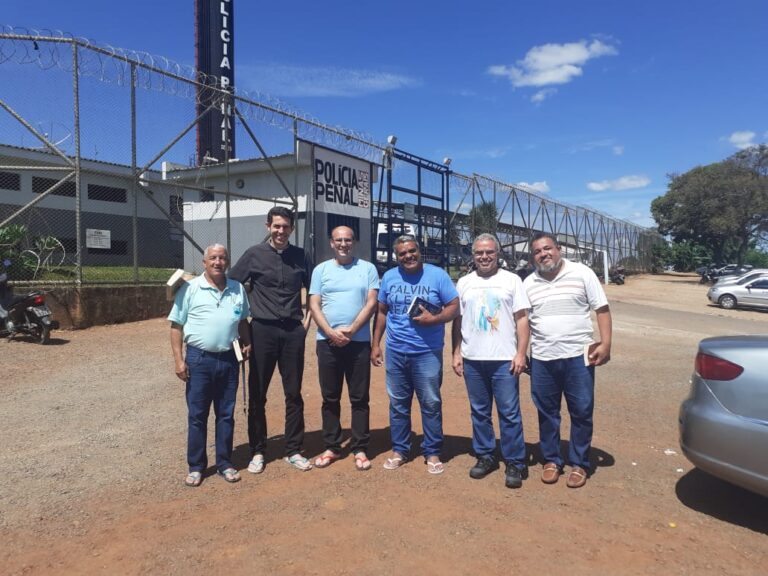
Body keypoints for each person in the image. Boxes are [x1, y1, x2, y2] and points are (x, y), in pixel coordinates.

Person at [523, 232, 612, 488]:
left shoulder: (582, 273)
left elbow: (602, 309)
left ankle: (579, 463)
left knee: (581, 411)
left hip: (578, 357)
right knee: (547, 412)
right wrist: (522, 351)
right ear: (533, 256)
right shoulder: (528, 283)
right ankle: (551, 460)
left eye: (547, 248)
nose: (544, 254)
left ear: (558, 249)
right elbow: (523, 322)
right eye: (538, 251)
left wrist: (606, 344)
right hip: (543, 358)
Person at [229, 206, 313, 473]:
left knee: (293, 392)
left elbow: (314, 289)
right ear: (268, 227)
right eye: (276, 226)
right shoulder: (254, 254)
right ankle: (258, 450)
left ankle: (294, 449)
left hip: (292, 331)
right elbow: (232, 285)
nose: (281, 231)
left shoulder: (300, 256)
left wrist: (307, 321)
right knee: (257, 393)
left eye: (285, 226)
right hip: (262, 330)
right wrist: (241, 326)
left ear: (291, 228)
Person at [371, 235, 459, 474]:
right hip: (396, 351)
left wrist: (436, 318)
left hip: (427, 352)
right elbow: (381, 312)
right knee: (398, 403)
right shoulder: (389, 277)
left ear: (419, 251)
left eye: (412, 251)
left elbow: (454, 306)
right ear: (396, 256)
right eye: (402, 253)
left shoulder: (437, 276)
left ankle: (432, 452)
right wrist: (376, 344)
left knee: (430, 402)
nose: (408, 256)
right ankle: (400, 449)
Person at [168, 244, 252, 487]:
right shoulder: (190, 289)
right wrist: (178, 360)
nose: (218, 262)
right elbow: (176, 326)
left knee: (226, 414)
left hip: (228, 359)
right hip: (199, 359)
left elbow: (243, 320)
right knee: (197, 415)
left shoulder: (237, 288)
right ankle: (196, 466)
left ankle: (225, 463)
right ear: (204, 263)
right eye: (213, 258)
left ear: (228, 261)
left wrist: (247, 341)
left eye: (223, 258)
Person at [451, 233, 530, 488]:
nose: (484, 257)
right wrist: (456, 352)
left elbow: (522, 319)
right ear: (473, 256)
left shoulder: (512, 280)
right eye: (479, 253)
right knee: (480, 412)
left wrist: (520, 353)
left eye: (489, 252)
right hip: (473, 358)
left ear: (498, 254)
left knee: (509, 412)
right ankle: (485, 456)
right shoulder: (464, 282)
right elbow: (458, 321)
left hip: (504, 360)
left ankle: (515, 461)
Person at [308, 226, 379, 471]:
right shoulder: (321, 270)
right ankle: (332, 446)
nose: (343, 244)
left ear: (354, 242)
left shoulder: (367, 269)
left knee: (359, 398)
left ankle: (360, 447)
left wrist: (351, 329)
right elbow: (314, 304)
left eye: (347, 240)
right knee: (330, 397)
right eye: (338, 240)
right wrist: (329, 331)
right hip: (327, 342)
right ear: (331, 243)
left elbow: (371, 303)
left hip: (357, 343)